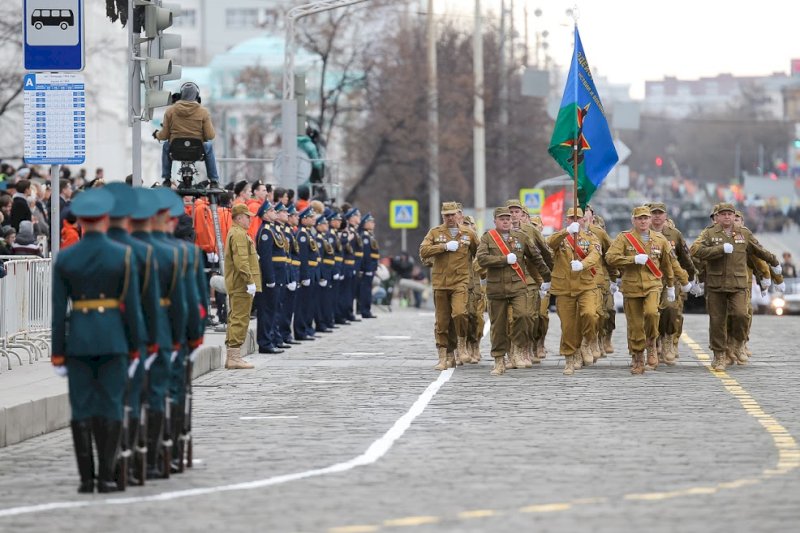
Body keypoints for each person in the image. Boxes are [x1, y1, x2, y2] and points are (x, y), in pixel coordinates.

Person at [50, 188, 144, 493]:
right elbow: (131, 308)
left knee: (81, 410)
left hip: (78, 341)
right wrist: (135, 346)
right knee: (111, 405)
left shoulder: (66, 258)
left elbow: (57, 311)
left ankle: (86, 478)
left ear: (78, 219)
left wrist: (57, 353)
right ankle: (106, 476)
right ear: (105, 218)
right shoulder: (123, 255)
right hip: (114, 339)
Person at [691, 203, 779, 370]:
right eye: (723, 214)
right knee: (717, 321)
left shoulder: (743, 233)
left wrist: (774, 262)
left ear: (734, 216)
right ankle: (719, 355)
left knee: (741, 314)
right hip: (716, 285)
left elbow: (759, 250)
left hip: (738, 284)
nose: (726, 217)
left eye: (729, 214)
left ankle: (738, 343)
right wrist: (719, 249)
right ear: (717, 216)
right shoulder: (710, 233)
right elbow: (695, 250)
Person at [476, 207, 551, 376]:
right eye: (502, 219)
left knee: (524, 315)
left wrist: (548, 278)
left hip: (518, 286)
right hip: (496, 288)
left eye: (508, 219)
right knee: (498, 326)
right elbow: (481, 259)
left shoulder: (521, 238)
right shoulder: (488, 238)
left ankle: (517, 347)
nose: (505, 221)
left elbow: (537, 258)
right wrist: (503, 260)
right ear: (495, 221)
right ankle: (499, 359)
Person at [606, 206, 675, 375]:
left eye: (645, 218)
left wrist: (671, 285)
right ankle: (638, 357)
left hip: (653, 285)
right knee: (635, 325)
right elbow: (610, 257)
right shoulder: (624, 238)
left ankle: (651, 343)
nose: (643, 221)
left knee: (652, 313)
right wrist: (632, 259)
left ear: (650, 220)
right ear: (633, 220)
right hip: (631, 287)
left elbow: (667, 265)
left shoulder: (660, 239)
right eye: (639, 218)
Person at [419, 201, 479, 370]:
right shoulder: (435, 232)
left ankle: (461, 345)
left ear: (458, 215)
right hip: (441, 282)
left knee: (460, 313)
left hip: (460, 281)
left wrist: (479, 275)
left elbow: (479, 253)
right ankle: (444, 355)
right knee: (442, 321)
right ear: (442, 216)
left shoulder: (468, 233)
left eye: (453, 214)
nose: (450, 218)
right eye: (447, 215)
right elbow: (423, 251)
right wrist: (443, 247)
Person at [546, 207, 601, 375]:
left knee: (590, 315)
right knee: (568, 325)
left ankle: (586, 341)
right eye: (571, 218)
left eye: (578, 218)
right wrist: (567, 231)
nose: (575, 220)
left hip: (585, 285)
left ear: (585, 220)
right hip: (564, 287)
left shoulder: (591, 238)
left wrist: (583, 264)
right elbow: (549, 243)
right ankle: (571, 357)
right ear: (566, 220)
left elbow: (595, 255)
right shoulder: (560, 237)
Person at [155, 82, 220, 185]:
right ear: (197, 97)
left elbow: (164, 135)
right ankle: (214, 180)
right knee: (209, 146)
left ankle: (166, 179)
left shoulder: (170, 111)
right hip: (197, 150)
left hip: (176, 150)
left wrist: (157, 135)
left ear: (181, 95)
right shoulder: (203, 112)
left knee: (166, 145)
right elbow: (210, 135)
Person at [224, 203, 261, 369]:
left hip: (240, 284)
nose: (250, 220)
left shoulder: (240, 233)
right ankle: (234, 357)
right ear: (239, 218)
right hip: (241, 284)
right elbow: (241, 262)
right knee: (239, 318)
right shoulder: (238, 234)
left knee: (237, 317)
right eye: (247, 217)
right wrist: (250, 281)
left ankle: (233, 356)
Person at [358, 213, 380, 319]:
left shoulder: (370, 235)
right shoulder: (365, 236)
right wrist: (367, 268)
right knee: (365, 290)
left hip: (371, 266)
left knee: (368, 289)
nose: (373, 224)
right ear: (365, 224)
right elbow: (366, 254)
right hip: (368, 267)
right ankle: (364, 310)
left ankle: (367, 310)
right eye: (371, 222)